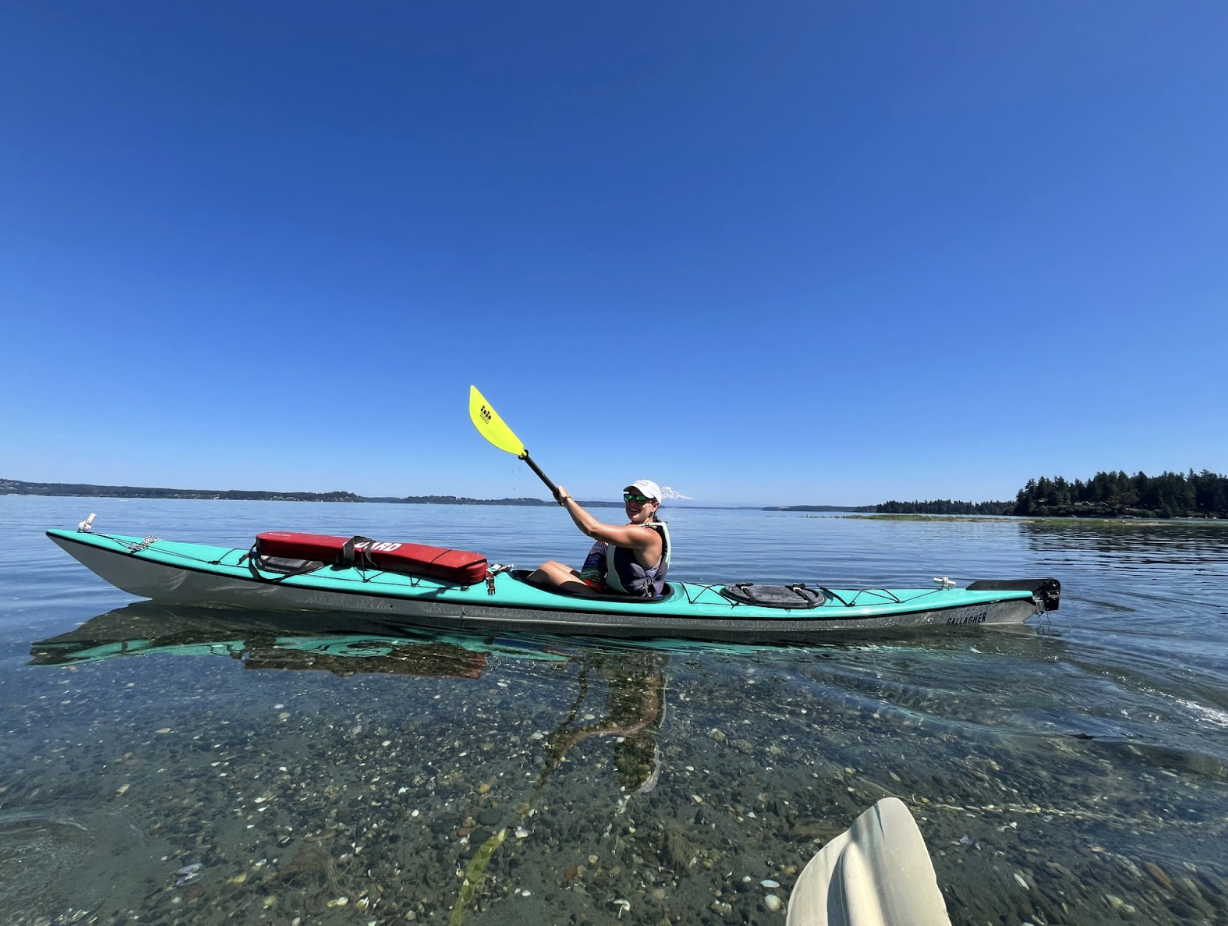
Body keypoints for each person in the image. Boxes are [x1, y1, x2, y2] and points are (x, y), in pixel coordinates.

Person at [529, 479, 671, 597]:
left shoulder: (647, 535)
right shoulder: (634, 529)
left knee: (547, 569)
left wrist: (567, 499)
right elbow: (599, 533)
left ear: (654, 506)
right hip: (612, 592)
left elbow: (592, 529)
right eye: (629, 498)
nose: (633, 503)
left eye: (640, 499)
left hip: (627, 600)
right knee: (552, 564)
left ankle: (520, 600)